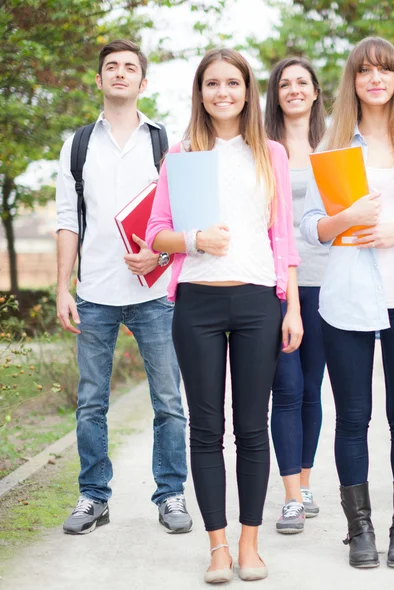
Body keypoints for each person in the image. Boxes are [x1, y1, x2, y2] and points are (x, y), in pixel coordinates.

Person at [146, 48, 302, 584]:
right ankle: (216, 548)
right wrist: (195, 240)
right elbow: (156, 234)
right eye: (212, 83)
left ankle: (250, 544)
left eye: (232, 83)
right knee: (206, 427)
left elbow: (284, 240)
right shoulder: (182, 156)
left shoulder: (271, 154)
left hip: (261, 300)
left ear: (246, 90)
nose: (222, 92)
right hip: (198, 302)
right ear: (201, 92)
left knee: (252, 426)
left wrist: (293, 308)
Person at [300, 37, 394, 569]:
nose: (375, 79)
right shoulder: (331, 148)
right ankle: (359, 530)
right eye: (364, 71)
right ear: (353, 81)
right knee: (352, 419)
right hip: (346, 301)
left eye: (384, 70)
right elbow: (309, 227)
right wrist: (345, 220)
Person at [55, 39, 191, 535]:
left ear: (142, 82)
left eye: (129, 67)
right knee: (91, 402)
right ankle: (93, 497)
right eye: (110, 67)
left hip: (154, 294)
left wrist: (160, 254)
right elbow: (68, 220)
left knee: (169, 401)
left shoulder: (164, 142)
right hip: (94, 294)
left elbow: (182, 217)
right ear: (98, 80)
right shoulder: (77, 145)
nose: (119, 73)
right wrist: (62, 287)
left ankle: (171, 494)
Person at [264, 57, 327, 534]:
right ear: (275, 93)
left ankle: (304, 483)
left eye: (302, 82)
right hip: (275, 283)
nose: (294, 89)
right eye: (285, 83)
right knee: (286, 387)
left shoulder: (335, 144)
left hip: (326, 282)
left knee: (312, 387)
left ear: (315, 90)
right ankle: (288, 496)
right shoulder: (260, 147)